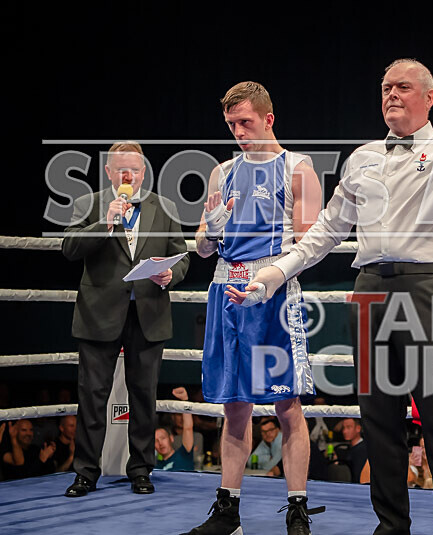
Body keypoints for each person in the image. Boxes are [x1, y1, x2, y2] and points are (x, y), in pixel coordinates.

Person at [230, 54, 433, 534]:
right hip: (369, 291)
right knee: (379, 422)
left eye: (403, 87)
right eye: (386, 86)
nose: (391, 94)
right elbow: (324, 232)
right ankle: (391, 528)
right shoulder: (362, 157)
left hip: (430, 289)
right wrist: (272, 277)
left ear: (429, 98)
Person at [183, 81, 323, 535]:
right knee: (234, 406)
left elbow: (310, 244)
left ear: (269, 119)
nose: (239, 131)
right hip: (226, 287)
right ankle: (228, 511)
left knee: (287, 404)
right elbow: (204, 249)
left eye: (245, 121)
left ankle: (298, 507)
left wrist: (268, 277)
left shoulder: (298, 168)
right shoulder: (222, 172)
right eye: (231, 124)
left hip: (274, 293)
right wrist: (212, 229)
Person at [62, 141, 189, 497]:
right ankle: (86, 473)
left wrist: (171, 274)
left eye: (133, 169)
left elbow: (180, 255)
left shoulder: (163, 207)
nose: (128, 175)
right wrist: (104, 224)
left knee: (144, 398)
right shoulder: (89, 204)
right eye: (121, 170)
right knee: (92, 397)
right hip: (99, 315)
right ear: (108, 172)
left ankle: (141, 470)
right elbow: (69, 248)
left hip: (148, 312)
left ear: (144, 172)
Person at [155, 387, 195, 471]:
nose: (160, 443)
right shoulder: (155, 468)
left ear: (171, 438)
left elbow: (188, 428)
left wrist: (184, 400)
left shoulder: (184, 455)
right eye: (155, 441)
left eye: (163, 438)